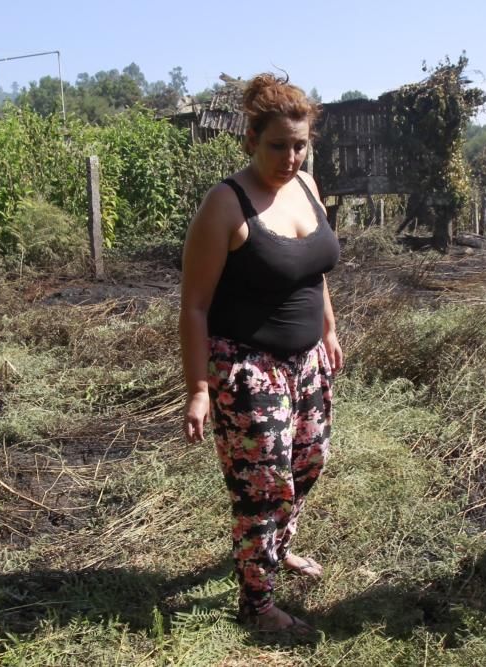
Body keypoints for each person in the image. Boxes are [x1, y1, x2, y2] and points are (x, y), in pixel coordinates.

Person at [180, 73, 342, 634]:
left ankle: (273, 551)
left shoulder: (307, 187)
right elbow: (195, 306)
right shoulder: (226, 205)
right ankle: (257, 606)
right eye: (278, 145)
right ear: (251, 138)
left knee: (307, 464)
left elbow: (315, 270)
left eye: (300, 145)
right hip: (247, 369)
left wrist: (329, 329)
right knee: (263, 487)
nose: (291, 157)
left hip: (308, 362)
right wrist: (199, 389)